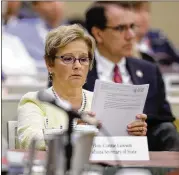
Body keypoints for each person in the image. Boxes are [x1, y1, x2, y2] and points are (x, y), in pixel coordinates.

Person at [17, 24, 147, 150]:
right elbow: (31, 141)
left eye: (84, 59)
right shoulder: (34, 101)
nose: (78, 66)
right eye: (68, 59)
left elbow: (117, 146)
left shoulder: (101, 101)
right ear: (49, 63)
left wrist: (132, 134)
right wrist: (83, 131)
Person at [84, 2, 179, 151]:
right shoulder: (76, 69)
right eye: (121, 28)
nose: (131, 36)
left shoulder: (149, 70)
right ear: (98, 34)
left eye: (132, 27)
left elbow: (164, 121)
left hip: (141, 150)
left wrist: (143, 126)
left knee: (168, 131)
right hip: (92, 148)